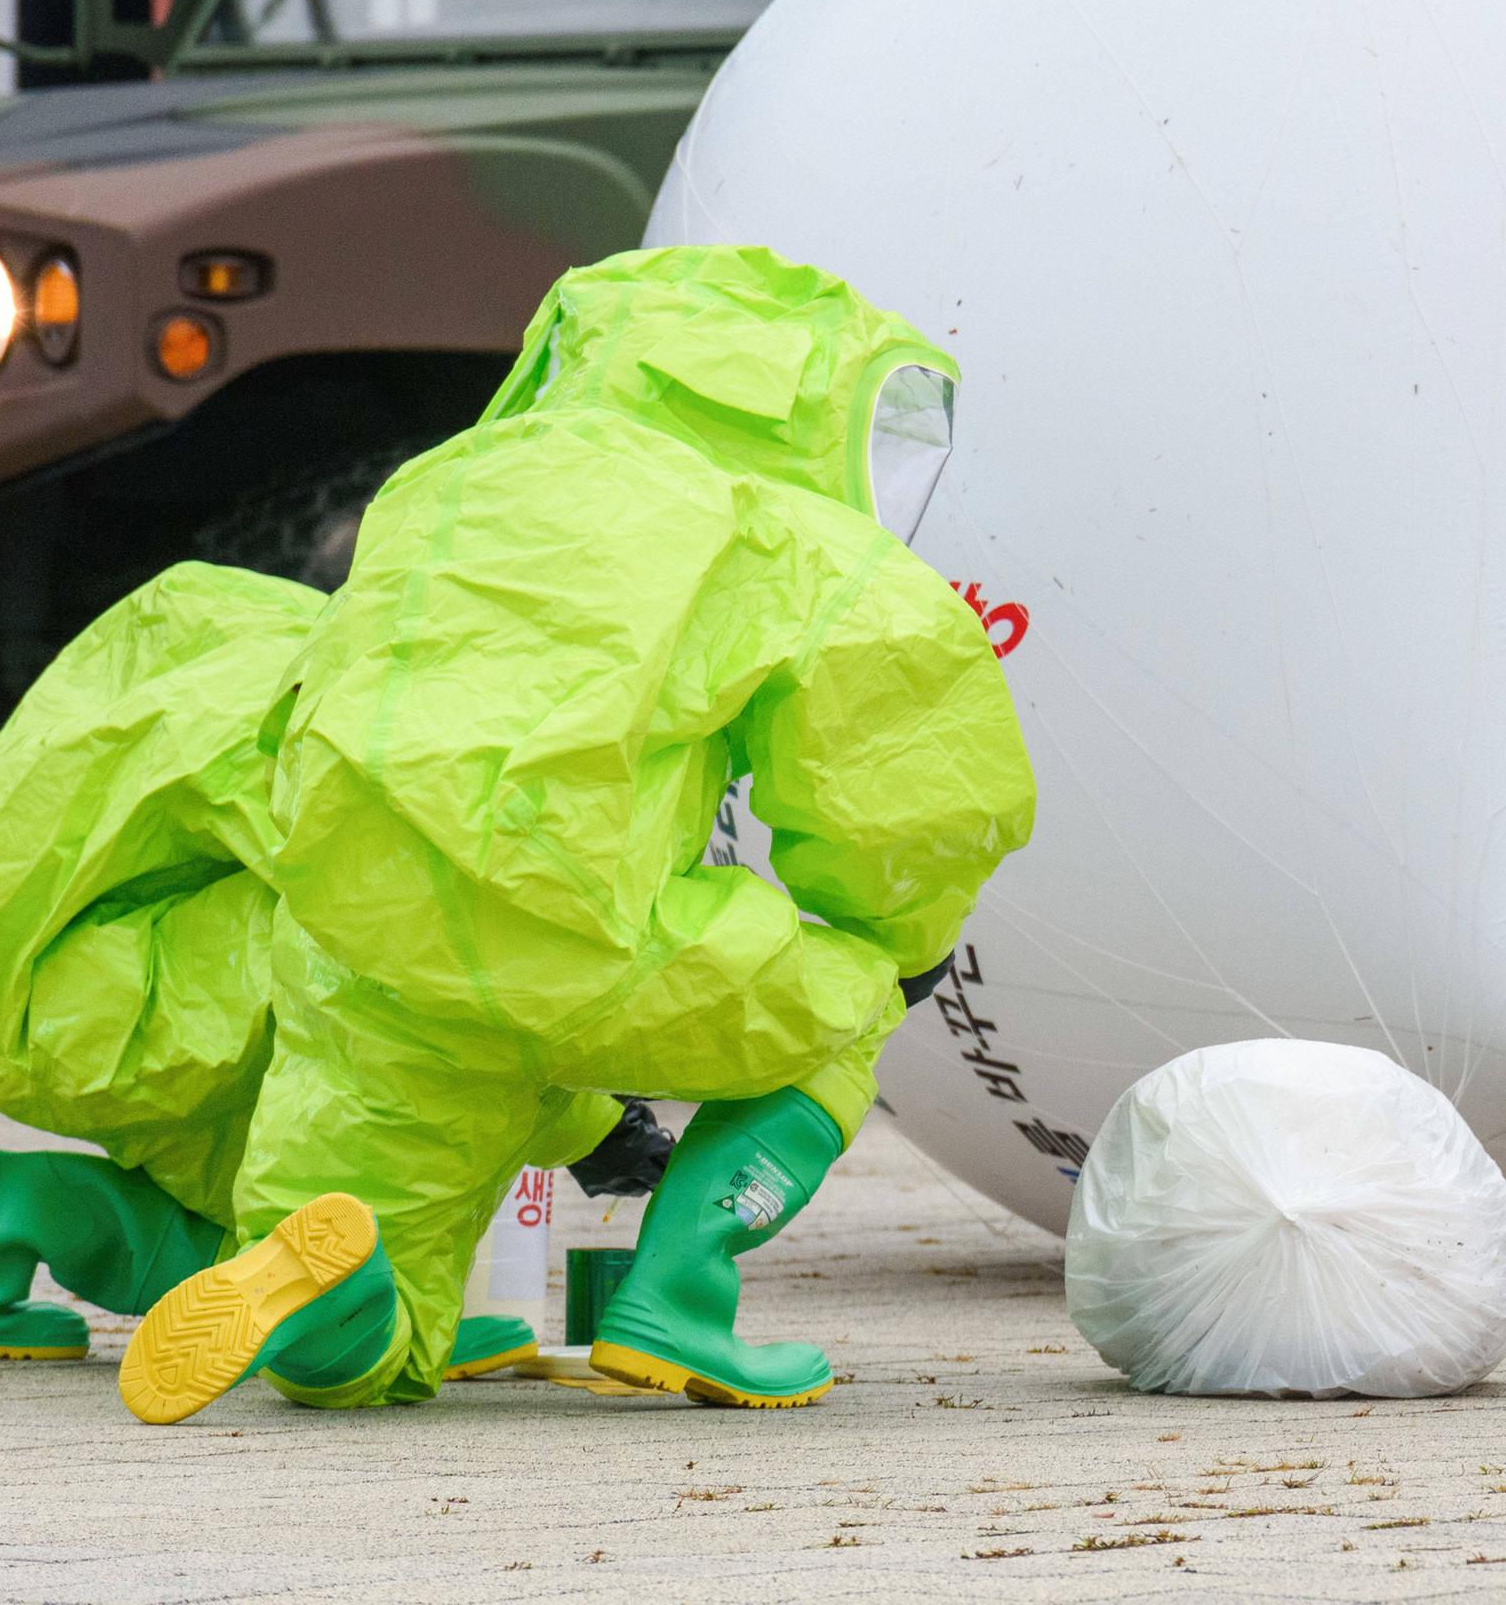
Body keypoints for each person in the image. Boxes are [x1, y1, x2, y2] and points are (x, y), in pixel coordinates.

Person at [103, 246, 1037, 1423]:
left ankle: (321, 1302)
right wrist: (896, 943)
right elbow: (911, 780)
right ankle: (677, 1302)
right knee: (851, 1004)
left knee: (367, 1360)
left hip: (360, 959)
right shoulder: (781, 535)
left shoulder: (439, 489)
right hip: (597, 949)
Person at [0, 565, 664, 1384]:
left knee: (308, 1176)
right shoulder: (369, 746)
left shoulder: (330, 675)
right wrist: (592, 1123)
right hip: (114, 1003)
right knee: (351, 1123)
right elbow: (428, 967)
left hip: (55, 978)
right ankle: (359, 1317)